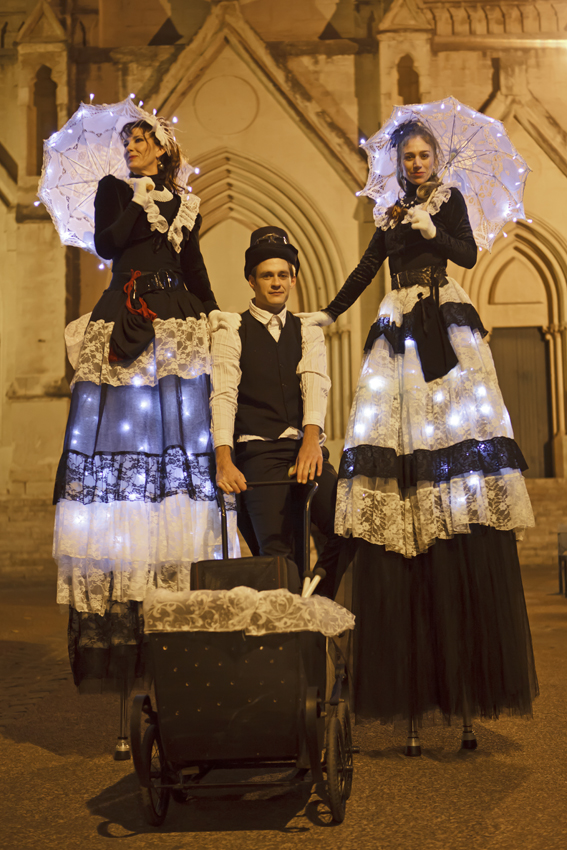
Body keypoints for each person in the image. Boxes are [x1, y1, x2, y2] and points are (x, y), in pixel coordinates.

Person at [300, 120, 538, 745]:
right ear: (398, 163)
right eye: (407, 156)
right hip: (401, 326)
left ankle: (454, 490)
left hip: (447, 324)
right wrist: (328, 311)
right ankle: (412, 488)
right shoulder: (389, 210)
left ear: (437, 158)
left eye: (423, 154)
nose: (416, 163)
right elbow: (367, 266)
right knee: (398, 427)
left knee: (454, 428)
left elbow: (467, 252)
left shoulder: (447, 201)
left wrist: (437, 230)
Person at [53, 113, 237, 692]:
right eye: (127, 142)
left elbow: (194, 267)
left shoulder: (188, 202)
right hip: (127, 316)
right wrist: (138, 198)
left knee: (181, 439)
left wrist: (215, 315)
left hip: (178, 323)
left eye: (141, 141)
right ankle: (127, 573)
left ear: (163, 148)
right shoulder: (115, 191)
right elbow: (107, 243)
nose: (131, 147)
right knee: (126, 442)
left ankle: (178, 565)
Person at [210, 226, 343, 598]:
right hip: (257, 454)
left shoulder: (307, 330)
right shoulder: (231, 330)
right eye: (267, 275)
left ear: (294, 279)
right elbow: (223, 396)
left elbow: (315, 384)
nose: (276, 283)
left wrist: (312, 441)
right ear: (250, 280)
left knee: (348, 526)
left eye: (283, 275)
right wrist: (224, 459)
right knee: (280, 560)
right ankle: (292, 638)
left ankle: (315, 597)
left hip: (305, 448)